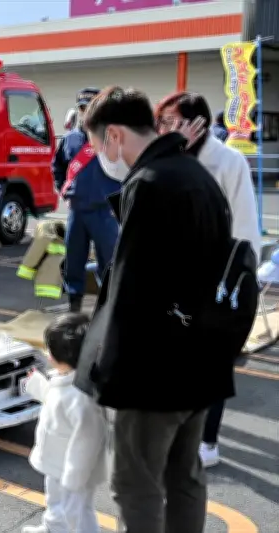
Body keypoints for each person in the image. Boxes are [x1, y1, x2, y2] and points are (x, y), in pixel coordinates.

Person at [74, 86, 258, 533]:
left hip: (153, 373)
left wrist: (102, 373)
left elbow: (131, 293)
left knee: (136, 486)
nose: (99, 155)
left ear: (114, 135)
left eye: (98, 144)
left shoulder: (150, 183)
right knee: (185, 477)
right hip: (201, 362)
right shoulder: (195, 175)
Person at [156, 91, 262, 468]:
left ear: (197, 123)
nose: (166, 128)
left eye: (173, 121)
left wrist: (238, 277)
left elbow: (246, 226)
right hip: (175, 280)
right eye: (163, 121)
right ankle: (182, 436)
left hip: (216, 277)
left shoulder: (228, 162)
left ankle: (208, 442)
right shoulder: (166, 159)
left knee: (213, 362)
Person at [21, 313, 108, 533]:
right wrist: (37, 385)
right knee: (56, 502)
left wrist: (75, 477)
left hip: (73, 471)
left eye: (49, 349)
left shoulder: (81, 396)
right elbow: (55, 400)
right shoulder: (68, 379)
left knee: (77, 512)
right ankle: (52, 528)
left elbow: (88, 439)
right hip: (57, 463)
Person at [51, 87, 121, 312]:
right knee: (74, 262)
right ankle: (74, 310)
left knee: (109, 265)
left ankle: (109, 313)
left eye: (90, 107)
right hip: (77, 212)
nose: (85, 112)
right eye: (82, 107)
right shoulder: (70, 139)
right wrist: (63, 188)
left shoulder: (113, 138)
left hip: (104, 212)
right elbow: (58, 166)